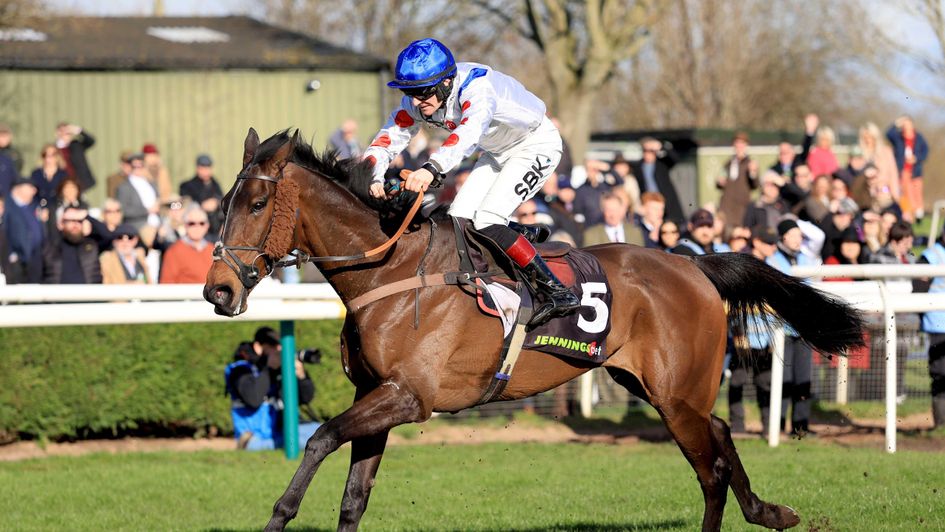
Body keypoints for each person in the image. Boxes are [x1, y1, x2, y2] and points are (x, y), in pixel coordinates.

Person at [361, 38, 579, 326]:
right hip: (498, 151)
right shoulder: (419, 100)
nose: (416, 102)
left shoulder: (478, 88)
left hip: (537, 145)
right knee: (457, 219)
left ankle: (557, 291)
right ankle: (517, 234)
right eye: (409, 93)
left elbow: (468, 134)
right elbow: (385, 141)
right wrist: (372, 177)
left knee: (487, 218)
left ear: (447, 83)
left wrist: (431, 169)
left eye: (423, 93)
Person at [224, 326, 320, 450]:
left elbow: (305, 399)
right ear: (258, 347)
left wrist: (301, 376)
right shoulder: (240, 370)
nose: (279, 349)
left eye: (280, 345)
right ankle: (252, 445)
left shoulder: (278, 369)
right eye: (274, 345)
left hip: (279, 431)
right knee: (306, 442)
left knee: (325, 432)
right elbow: (253, 399)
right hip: (252, 436)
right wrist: (269, 369)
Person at [765, 218, 817, 436]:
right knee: (783, 378)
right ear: (783, 237)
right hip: (781, 330)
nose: (797, 240)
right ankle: (777, 426)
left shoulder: (806, 260)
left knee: (804, 378)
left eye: (799, 235)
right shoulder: (772, 261)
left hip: (802, 329)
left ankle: (801, 427)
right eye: (793, 235)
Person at [915, 226, 945, 429]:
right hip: (938, 323)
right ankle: (941, 423)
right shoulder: (930, 256)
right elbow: (918, 289)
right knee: (941, 373)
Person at [42, 205, 103, 284]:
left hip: (88, 295)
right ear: (61, 223)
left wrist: (87, 217)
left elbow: (109, 235)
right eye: (70, 220)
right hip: (57, 295)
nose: (75, 225)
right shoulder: (49, 247)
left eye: (79, 221)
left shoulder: (93, 245)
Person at [630, 137, 684, 223]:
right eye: (645, 151)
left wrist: (661, 146)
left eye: (650, 151)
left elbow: (675, 158)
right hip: (648, 200)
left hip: (666, 201)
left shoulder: (662, 164)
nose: (648, 154)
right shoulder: (638, 167)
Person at [3, 177, 45, 283]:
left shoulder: (33, 207)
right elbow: (3, 230)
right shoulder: (6, 206)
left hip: (34, 260)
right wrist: (11, 255)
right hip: (15, 262)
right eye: (31, 187)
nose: (34, 191)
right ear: (18, 188)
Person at [887, 116, 929, 221]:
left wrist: (917, 158)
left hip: (916, 170)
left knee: (917, 191)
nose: (906, 127)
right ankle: (910, 214)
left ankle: (919, 213)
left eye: (908, 124)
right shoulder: (898, 137)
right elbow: (888, 134)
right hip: (903, 171)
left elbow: (926, 151)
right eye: (904, 125)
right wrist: (896, 123)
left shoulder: (919, 137)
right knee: (906, 192)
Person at [159, 204, 213, 283]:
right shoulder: (174, 252)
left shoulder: (213, 250)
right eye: (192, 223)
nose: (197, 227)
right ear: (185, 225)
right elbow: (166, 284)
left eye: (201, 223)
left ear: (207, 226)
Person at [716, 132, 759, 231]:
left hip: (742, 208)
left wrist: (753, 172)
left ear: (746, 145)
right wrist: (719, 182)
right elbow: (721, 180)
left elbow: (755, 185)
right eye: (737, 143)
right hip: (727, 206)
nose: (739, 146)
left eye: (742, 143)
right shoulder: (729, 163)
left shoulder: (750, 163)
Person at [179, 154, 224, 239]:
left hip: (216, 229)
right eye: (202, 168)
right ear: (197, 168)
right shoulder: (187, 186)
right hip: (198, 228)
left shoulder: (215, 184)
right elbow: (186, 204)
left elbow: (223, 201)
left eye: (208, 167)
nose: (205, 171)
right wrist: (201, 206)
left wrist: (217, 202)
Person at [117, 153, 160, 231]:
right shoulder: (124, 187)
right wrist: (147, 210)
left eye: (141, 165)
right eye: (135, 166)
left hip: (157, 224)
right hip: (138, 226)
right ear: (130, 167)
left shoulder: (152, 184)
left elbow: (158, 202)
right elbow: (124, 210)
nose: (138, 169)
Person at [55, 122, 96, 192]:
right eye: (62, 132)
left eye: (67, 133)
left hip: (80, 182)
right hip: (63, 182)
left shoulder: (76, 145)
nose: (65, 135)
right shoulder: (55, 149)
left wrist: (79, 131)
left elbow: (91, 141)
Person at [29, 144, 68, 210]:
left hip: (57, 208)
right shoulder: (36, 173)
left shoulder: (63, 174)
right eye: (45, 155)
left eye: (52, 155)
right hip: (39, 208)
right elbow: (32, 193)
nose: (48, 158)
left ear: (58, 156)